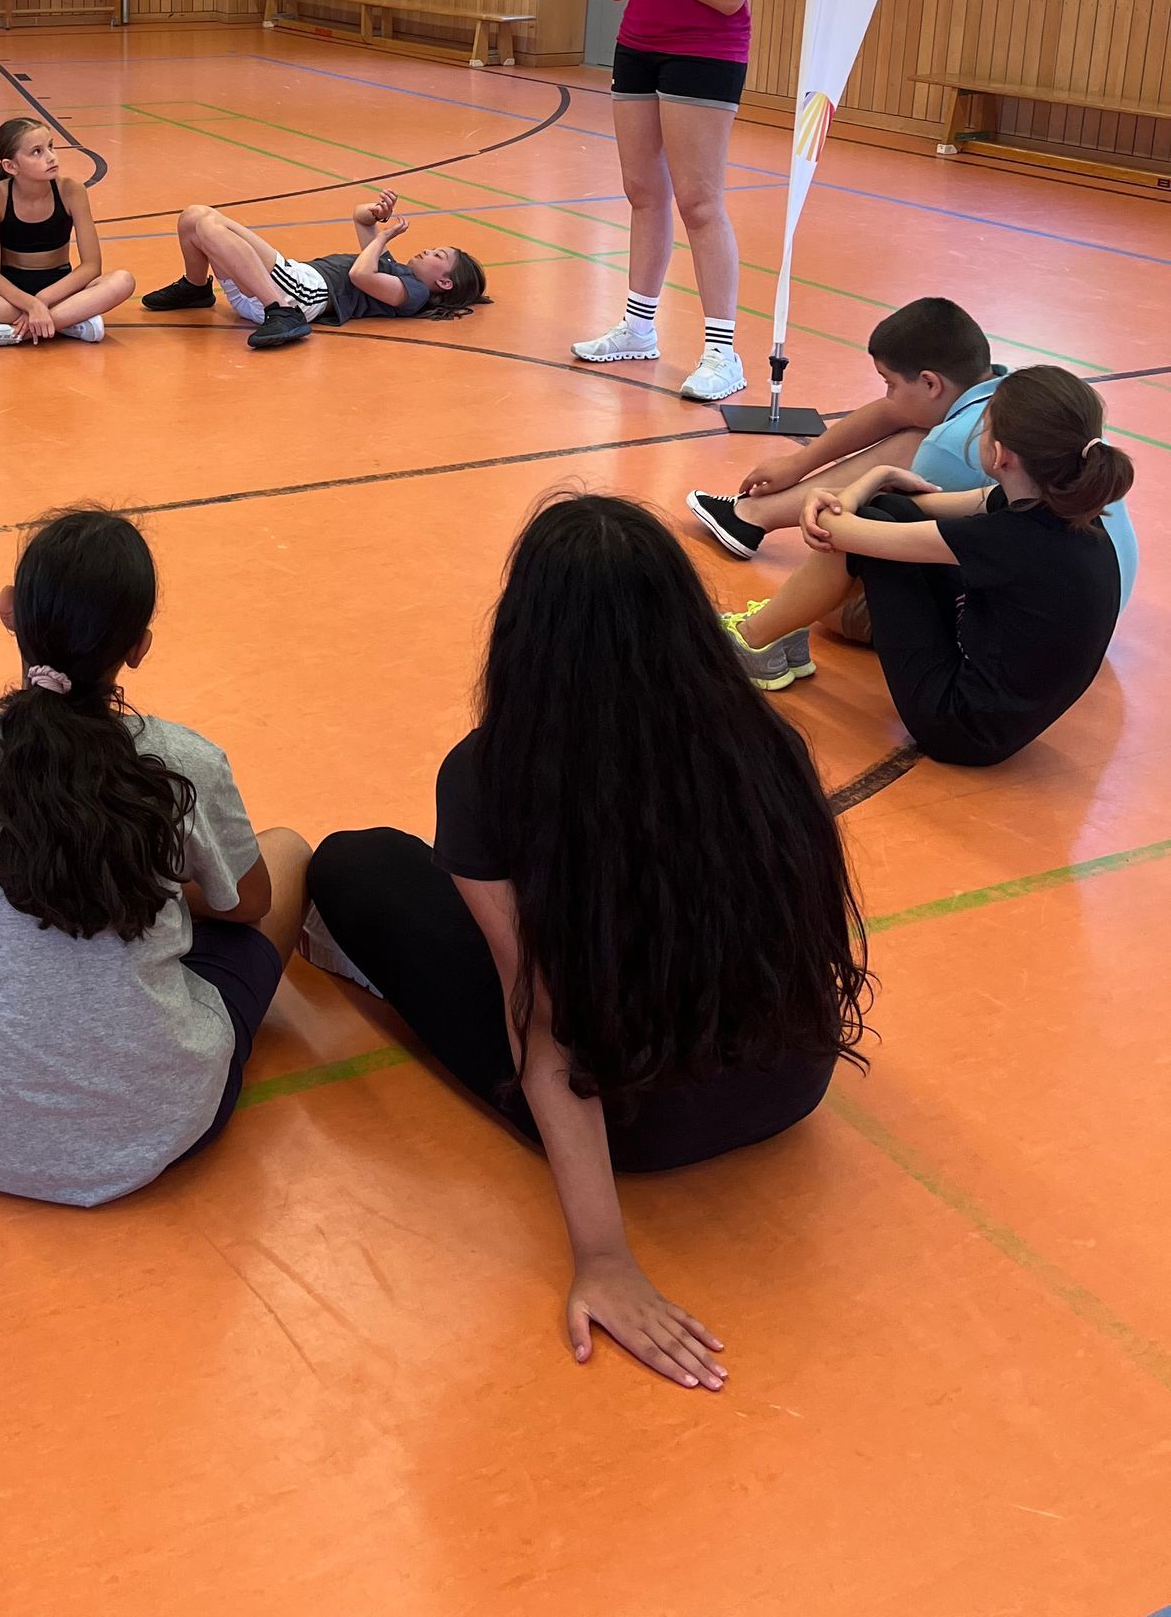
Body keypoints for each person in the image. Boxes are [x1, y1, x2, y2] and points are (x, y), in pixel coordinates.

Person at [304, 493, 870, 1388]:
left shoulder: (489, 772)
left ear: (524, 637)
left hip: (642, 1123)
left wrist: (605, 1257)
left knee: (357, 863)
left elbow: (545, 1028)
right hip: (793, 1079)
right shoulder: (767, 742)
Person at [0, 507, 311, 1206]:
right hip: (171, 1123)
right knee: (288, 850)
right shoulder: (187, 760)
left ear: (9, 611)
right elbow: (250, 903)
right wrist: (146, 889)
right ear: (138, 647)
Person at [722, 365, 1132, 769]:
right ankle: (782, 635)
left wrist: (868, 480)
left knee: (871, 528)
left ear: (1000, 454)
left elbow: (837, 529)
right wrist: (875, 484)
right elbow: (914, 506)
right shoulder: (1059, 511)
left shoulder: (1008, 538)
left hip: (958, 727)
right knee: (891, 509)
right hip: (1001, 715)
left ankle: (751, 640)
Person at [686, 295, 1139, 614]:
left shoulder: (951, 446)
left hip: (1043, 613)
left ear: (929, 382)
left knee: (827, 600)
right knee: (913, 438)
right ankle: (752, 517)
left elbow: (872, 529)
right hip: (1100, 593)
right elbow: (892, 411)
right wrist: (797, 463)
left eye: (889, 382)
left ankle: (753, 539)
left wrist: (830, 525)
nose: (886, 394)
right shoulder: (1012, 396)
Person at [572, 0, 765, 404]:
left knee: (699, 202)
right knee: (641, 191)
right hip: (639, 46)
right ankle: (638, 327)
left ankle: (722, 353)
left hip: (704, 53)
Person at [141, 190, 486, 353]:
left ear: (444, 281)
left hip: (300, 295)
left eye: (438, 255)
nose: (428, 250)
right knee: (195, 215)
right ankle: (196, 286)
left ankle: (283, 314)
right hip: (285, 283)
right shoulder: (394, 268)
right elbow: (360, 218)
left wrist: (383, 238)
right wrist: (376, 214)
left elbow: (360, 276)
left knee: (209, 226)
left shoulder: (415, 294)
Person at [0, 119, 136, 350]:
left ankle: (11, 333)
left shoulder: (71, 191)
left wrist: (41, 301)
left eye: (51, 146)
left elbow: (91, 266)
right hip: (10, 296)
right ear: (11, 166)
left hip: (59, 291)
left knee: (123, 281)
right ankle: (67, 323)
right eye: (37, 152)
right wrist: (30, 304)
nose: (51, 157)